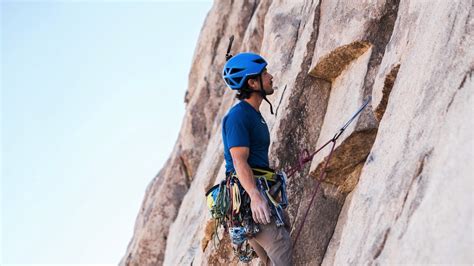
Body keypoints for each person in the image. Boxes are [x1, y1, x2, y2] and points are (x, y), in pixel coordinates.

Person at [221, 52, 292, 265]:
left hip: (256, 192)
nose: (270, 76)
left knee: (270, 260)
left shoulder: (252, 114)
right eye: (264, 73)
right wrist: (255, 197)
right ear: (252, 83)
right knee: (281, 248)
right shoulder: (238, 116)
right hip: (250, 197)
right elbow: (238, 161)